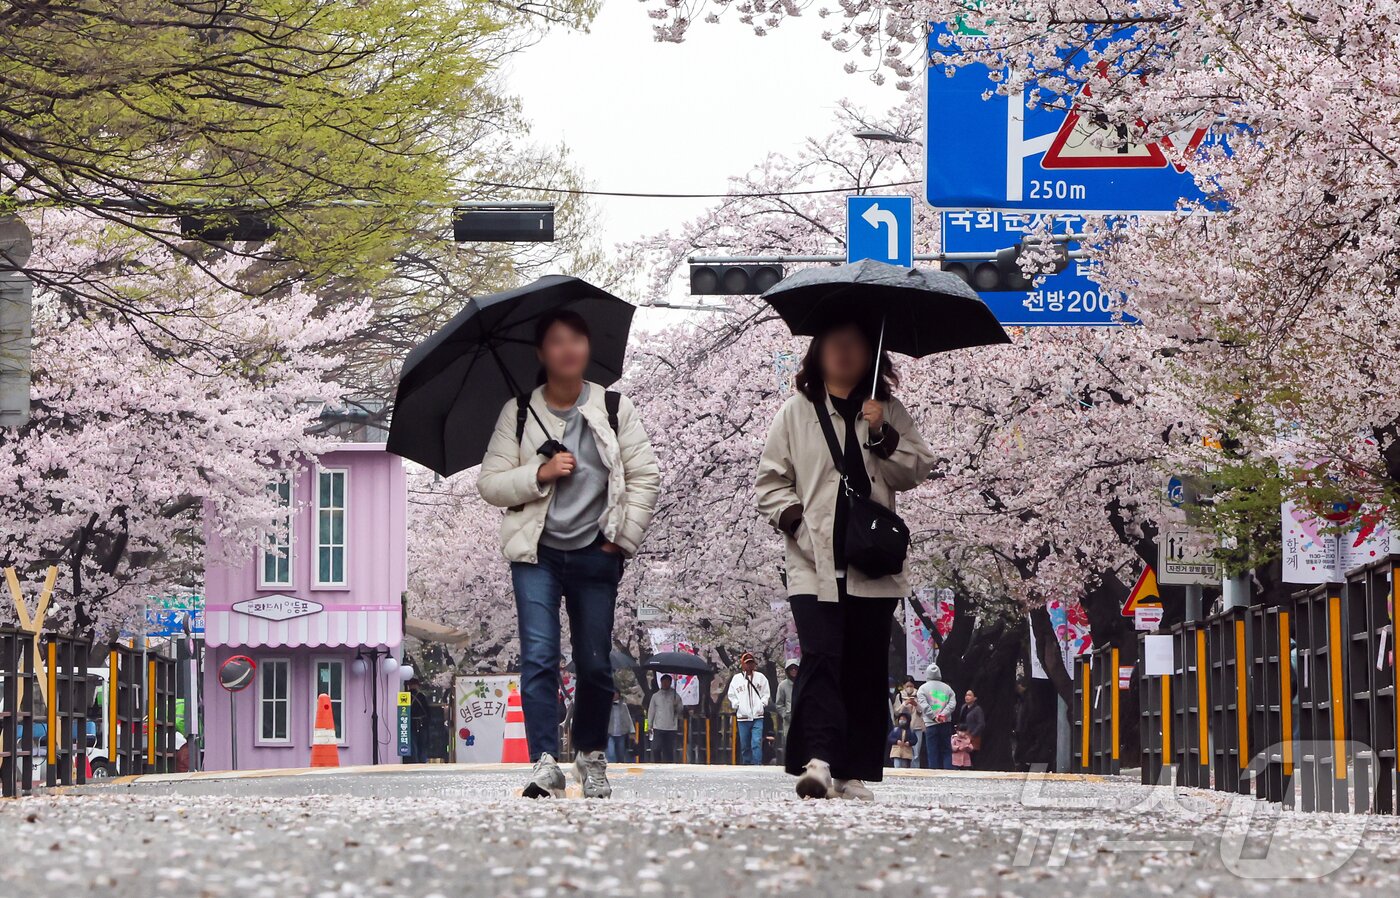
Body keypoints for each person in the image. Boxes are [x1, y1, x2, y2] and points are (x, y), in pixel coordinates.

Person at [478, 308, 661, 799]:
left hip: (595, 553)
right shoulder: (518, 414)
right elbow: (490, 483)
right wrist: (538, 474)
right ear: (542, 354)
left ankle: (590, 755)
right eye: (556, 341)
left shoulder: (614, 409)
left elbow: (645, 477)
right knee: (539, 655)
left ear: (587, 349)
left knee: (595, 662)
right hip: (535, 554)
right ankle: (544, 761)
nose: (568, 349)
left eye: (576, 339)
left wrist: (618, 540)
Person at [755, 319, 935, 800]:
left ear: (872, 355)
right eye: (834, 343)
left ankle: (851, 770)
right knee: (820, 658)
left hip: (871, 564)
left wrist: (882, 432)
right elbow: (770, 481)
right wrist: (795, 523)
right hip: (812, 564)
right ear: (817, 352)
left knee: (864, 665)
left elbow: (916, 469)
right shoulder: (795, 412)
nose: (844, 352)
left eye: (855, 344)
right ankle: (817, 760)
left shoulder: (886, 410)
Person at [727, 652, 770, 765]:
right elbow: (731, 694)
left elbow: (766, 693)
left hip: (758, 716)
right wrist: (737, 705)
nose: (749, 665)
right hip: (743, 717)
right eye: (747, 663)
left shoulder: (761, 678)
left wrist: (762, 703)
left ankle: (757, 764)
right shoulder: (736, 679)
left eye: (751, 663)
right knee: (745, 744)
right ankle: (747, 763)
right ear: (742, 665)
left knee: (756, 742)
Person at [916, 663, 956, 770]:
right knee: (947, 749)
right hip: (945, 722)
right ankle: (948, 770)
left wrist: (933, 717)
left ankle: (934, 773)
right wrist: (943, 714)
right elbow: (952, 704)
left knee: (932, 750)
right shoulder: (947, 688)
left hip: (930, 724)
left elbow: (924, 705)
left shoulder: (922, 689)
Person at [647, 674, 685, 763]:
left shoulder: (675, 696)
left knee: (668, 750)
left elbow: (680, 711)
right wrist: (649, 725)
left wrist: (676, 706)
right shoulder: (655, 696)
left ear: (670, 683)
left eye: (667, 682)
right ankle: (657, 763)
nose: (665, 684)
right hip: (658, 726)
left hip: (671, 727)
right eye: (663, 682)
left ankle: (668, 765)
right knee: (656, 748)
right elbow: (651, 711)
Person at [951, 689, 986, 769]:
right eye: (966, 695)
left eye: (970, 695)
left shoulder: (977, 709)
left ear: (975, 698)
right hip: (962, 735)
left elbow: (981, 724)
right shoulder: (963, 707)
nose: (967, 697)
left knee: (972, 757)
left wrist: (972, 735)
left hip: (973, 736)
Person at [894, 677, 924, 768]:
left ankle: (915, 770)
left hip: (917, 726)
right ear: (903, 686)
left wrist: (916, 704)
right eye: (907, 686)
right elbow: (896, 712)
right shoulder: (899, 695)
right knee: (901, 750)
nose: (909, 688)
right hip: (903, 727)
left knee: (916, 752)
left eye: (911, 686)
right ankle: (901, 769)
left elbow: (923, 711)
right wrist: (904, 704)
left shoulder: (919, 694)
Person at [774, 658, 799, 762]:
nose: (793, 671)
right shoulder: (783, 685)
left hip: (803, 718)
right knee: (789, 741)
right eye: (791, 669)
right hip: (789, 718)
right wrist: (785, 714)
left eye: (795, 668)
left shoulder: (804, 683)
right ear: (787, 670)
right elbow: (779, 703)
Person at [407, 677, 431, 764]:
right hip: (422, 723)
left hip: (410, 723)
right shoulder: (422, 696)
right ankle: (423, 761)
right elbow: (428, 711)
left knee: (413, 744)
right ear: (417, 685)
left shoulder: (404, 696)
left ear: (409, 686)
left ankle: (415, 761)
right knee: (423, 744)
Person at [606, 692, 633, 764]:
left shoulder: (623, 706)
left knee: (621, 754)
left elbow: (628, 718)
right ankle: (611, 767)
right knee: (611, 753)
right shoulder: (606, 705)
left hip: (621, 733)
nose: (614, 695)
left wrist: (631, 731)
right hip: (610, 733)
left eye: (616, 693)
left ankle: (619, 768)